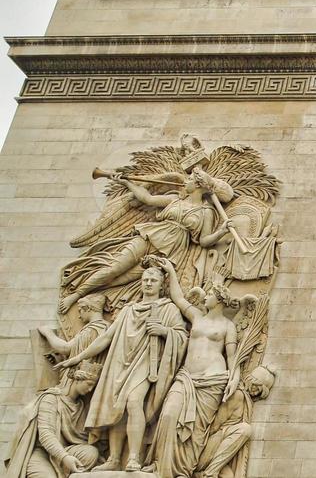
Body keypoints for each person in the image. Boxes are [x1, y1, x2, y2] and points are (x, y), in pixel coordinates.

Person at [58, 263, 187, 473]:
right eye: (145, 279)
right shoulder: (128, 310)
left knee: (133, 401)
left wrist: (164, 331)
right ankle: (114, 458)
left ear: (162, 284)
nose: (148, 283)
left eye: (153, 280)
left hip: (147, 363)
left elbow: (182, 336)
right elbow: (106, 338)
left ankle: (134, 457)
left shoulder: (167, 308)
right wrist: (78, 358)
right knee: (118, 407)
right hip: (121, 362)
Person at [60, 165, 237, 314]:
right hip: (150, 237)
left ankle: (89, 296)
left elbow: (204, 240)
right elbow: (147, 198)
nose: (186, 181)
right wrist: (126, 182)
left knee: (124, 279)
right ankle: (75, 296)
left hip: (169, 252)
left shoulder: (206, 212)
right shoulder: (174, 199)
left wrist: (221, 231)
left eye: (190, 179)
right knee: (115, 268)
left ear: (199, 185)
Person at [152, 260, 239, 478]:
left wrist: (234, 379)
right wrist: (171, 271)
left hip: (212, 381)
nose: (204, 297)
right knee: (169, 414)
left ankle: (184, 470)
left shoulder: (228, 326)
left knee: (197, 431)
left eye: (209, 294)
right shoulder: (196, 317)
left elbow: (232, 357)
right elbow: (179, 299)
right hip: (187, 378)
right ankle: (163, 469)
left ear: (219, 299)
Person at [3, 361, 102, 478]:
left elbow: (79, 437)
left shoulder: (80, 405)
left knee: (91, 452)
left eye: (93, 386)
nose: (90, 389)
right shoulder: (51, 399)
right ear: (77, 378)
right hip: (42, 453)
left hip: (64, 451)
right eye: (89, 384)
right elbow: (46, 434)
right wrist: (64, 457)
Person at [196, 366, 276, 478]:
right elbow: (215, 426)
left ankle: (203, 474)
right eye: (257, 387)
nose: (256, 392)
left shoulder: (246, 400)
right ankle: (209, 474)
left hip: (218, 451)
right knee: (245, 429)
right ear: (250, 380)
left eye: (260, 391)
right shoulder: (237, 395)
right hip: (209, 446)